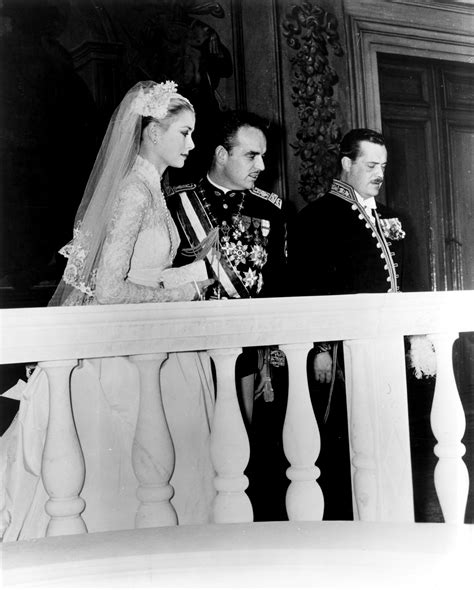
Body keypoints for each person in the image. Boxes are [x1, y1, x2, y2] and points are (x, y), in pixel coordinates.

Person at [1, 80, 217, 541]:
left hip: (151, 341)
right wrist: (175, 294)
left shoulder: (152, 187)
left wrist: (187, 273)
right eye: (184, 133)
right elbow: (108, 289)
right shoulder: (133, 193)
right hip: (128, 347)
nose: (192, 144)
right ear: (153, 134)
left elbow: (142, 269)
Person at [167, 110, 289, 520]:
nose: (262, 166)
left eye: (263, 157)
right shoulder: (177, 204)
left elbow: (277, 283)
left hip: (246, 355)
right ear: (221, 154)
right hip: (190, 353)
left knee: (244, 456)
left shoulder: (271, 209)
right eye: (252, 156)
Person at [288, 128, 408, 519]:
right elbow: (309, 289)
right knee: (341, 443)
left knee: (384, 437)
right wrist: (321, 348)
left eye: (383, 167)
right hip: (339, 355)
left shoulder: (390, 216)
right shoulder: (318, 217)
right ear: (346, 164)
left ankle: (385, 515)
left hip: (383, 349)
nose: (379, 174)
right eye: (371, 165)